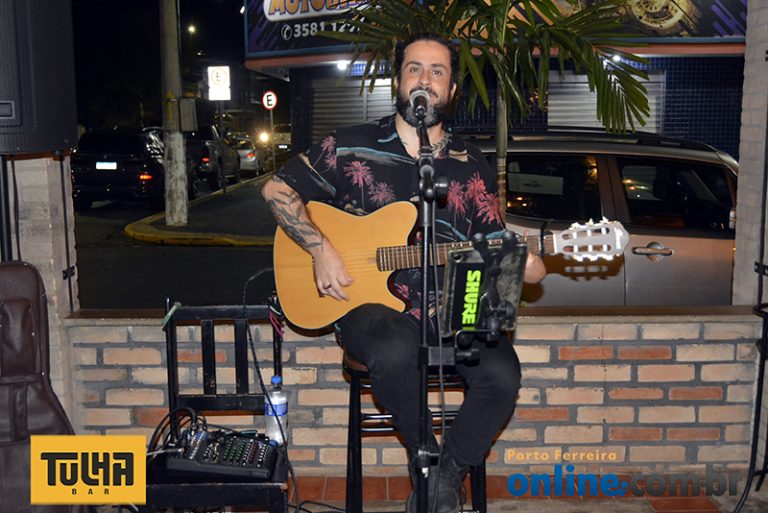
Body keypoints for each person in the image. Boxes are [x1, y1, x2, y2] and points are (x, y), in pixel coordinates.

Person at [262, 33, 546, 513]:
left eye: (437, 71)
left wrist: (528, 265)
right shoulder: (350, 145)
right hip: (369, 307)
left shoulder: (471, 163)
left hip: (453, 307)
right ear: (398, 81)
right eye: (414, 68)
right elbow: (276, 189)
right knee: (395, 350)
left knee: (503, 374)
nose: (425, 80)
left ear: (451, 90)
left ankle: (441, 475)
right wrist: (320, 247)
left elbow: (494, 241)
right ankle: (428, 462)